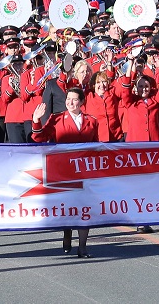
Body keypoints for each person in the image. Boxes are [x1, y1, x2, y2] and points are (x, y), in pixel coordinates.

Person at [32, 88, 99, 258]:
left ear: (81, 102)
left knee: (85, 208)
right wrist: (36, 120)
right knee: (68, 207)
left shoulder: (92, 121)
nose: (70, 102)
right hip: (64, 171)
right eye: (68, 99)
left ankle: (83, 246)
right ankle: (67, 231)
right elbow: (39, 138)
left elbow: (96, 147)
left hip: (84, 171)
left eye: (74, 99)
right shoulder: (57, 119)